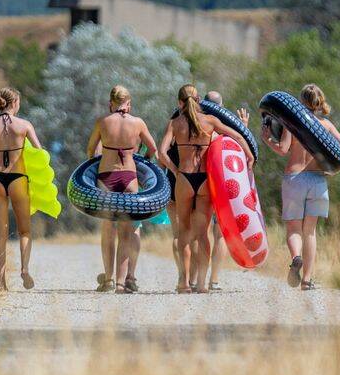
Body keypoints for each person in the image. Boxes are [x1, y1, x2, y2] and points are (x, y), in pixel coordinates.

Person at [158, 84, 254, 293]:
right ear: (199, 99)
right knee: (202, 234)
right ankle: (201, 284)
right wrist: (250, 156)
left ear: (179, 103)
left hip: (184, 178)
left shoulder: (175, 123)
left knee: (183, 231)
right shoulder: (210, 121)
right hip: (204, 181)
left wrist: (175, 171)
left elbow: (161, 153)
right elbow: (237, 136)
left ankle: (183, 283)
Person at [260, 84, 340, 291]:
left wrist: (267, 140)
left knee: (293, 227)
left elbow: (283, 150)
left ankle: (296, 257)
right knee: (310, 231)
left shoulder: (292, 124)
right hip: (318, 180)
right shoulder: (326, 125)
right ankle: (307, 280)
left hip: (294, 178)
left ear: (300, 102)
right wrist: (332, 170)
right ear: (319, 102)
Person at [87, 85, 160, 293]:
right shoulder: (138, 122)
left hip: (106, 177)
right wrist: (142, 161)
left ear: (111, 103)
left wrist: (93, 168)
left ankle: (108, 279)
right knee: (126, 232)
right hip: (129, 177)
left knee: (108, 228)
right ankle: (121, 283)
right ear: (128, 103)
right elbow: (153, 148)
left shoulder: (103, 121)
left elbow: (91, 150)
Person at [0, 87, 42, 291]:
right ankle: (24, 269)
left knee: (0, 233)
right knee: (25, 230)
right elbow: (40, 154)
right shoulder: (24, 125)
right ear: (15, 102)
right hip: (18, 178)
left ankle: (1, 282)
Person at [189, 90, 252, 292]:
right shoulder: (223, 127)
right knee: (220, 235)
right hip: (223, 187)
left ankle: (196, 278)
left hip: (202, 184)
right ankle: (213, 280)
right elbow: (238, 150)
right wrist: (244, 127)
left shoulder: (201, 124)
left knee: (200, 233)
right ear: (221, 106)